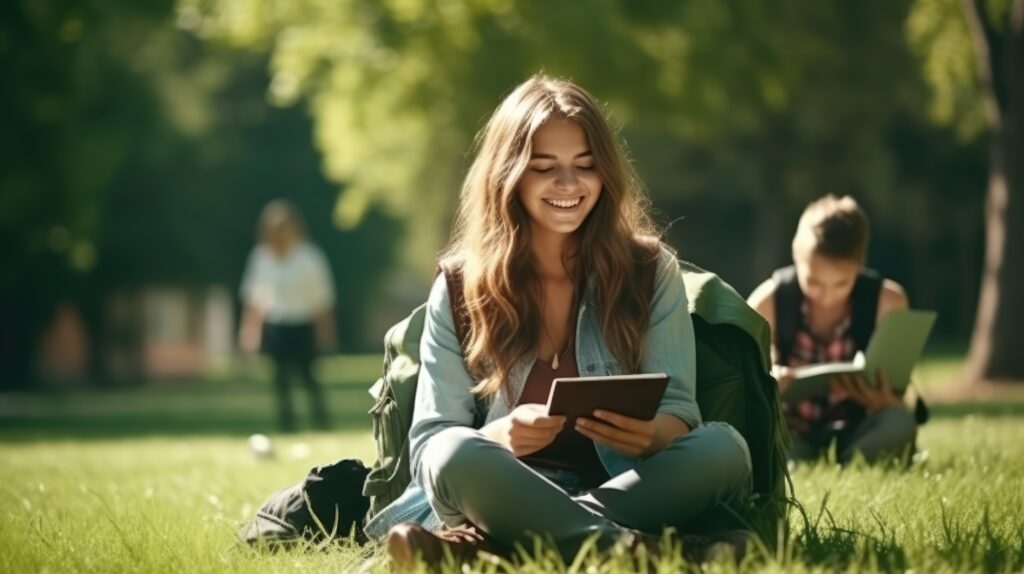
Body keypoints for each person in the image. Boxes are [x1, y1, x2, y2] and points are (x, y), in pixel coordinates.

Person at [375, 75, 753, 568]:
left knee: (725, 449)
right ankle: (638, 549)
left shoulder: (649, 270)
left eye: (585, 166)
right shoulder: (459, 285)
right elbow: (430, 444)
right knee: (454, 452)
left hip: (628, 485)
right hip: (497, 486)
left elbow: (680, 410)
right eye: (544, 167)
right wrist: (499, 436)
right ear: (508, 176)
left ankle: (499, 546)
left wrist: (652, 435)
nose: (569, 185)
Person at [747, 194, 918, 464]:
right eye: (814, 282)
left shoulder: (888, 301)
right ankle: (800, 461)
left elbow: (898, 395)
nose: (826, 296)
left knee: (899, 423)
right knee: (758, 435)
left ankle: (852, 460)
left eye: (841, 284)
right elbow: (741, 385)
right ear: (796, 259)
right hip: (792, 430)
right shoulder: (767, 302)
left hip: (859, 427)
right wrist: (769, 381)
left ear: (860, 266)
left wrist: (885, 399)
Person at [239, 199, 336, 432]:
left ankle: (321, 425)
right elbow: (254, 300)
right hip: (276, 326)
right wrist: (249, 333)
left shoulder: (310, 257)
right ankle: (287, 428)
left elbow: (322, 300)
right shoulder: (260, 257)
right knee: (281, 383)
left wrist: (326, 334)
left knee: (309, 379)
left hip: (302, 325)